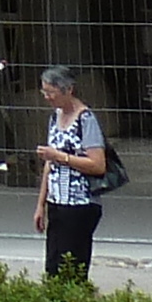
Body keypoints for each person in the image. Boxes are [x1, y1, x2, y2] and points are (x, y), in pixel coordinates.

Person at [31, 65, 104, 280]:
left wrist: (61, 157)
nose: (47, 98)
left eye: (51, 93)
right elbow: (48, 165)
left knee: (72, 266)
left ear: (68, 90)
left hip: (81, 204)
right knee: (53, 265)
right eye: (44, 92)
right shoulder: (55, 117)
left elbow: (98, 164)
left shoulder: (86, 120)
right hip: (57, 203)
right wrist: (40, 205)